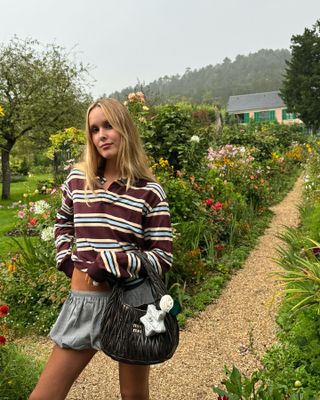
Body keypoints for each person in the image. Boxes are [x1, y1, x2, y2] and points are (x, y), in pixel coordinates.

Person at [29, 97, 173, 400]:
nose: (101, 135)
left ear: (125, 129)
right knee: (45, 395)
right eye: (94, 130)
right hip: (85, 302)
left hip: (133, 304)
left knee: (133, 395)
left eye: (109, 126)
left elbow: (161, 256)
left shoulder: (149, 191)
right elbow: (62, 222)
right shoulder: (78, 180)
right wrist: (67, 261)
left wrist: (111, 262)